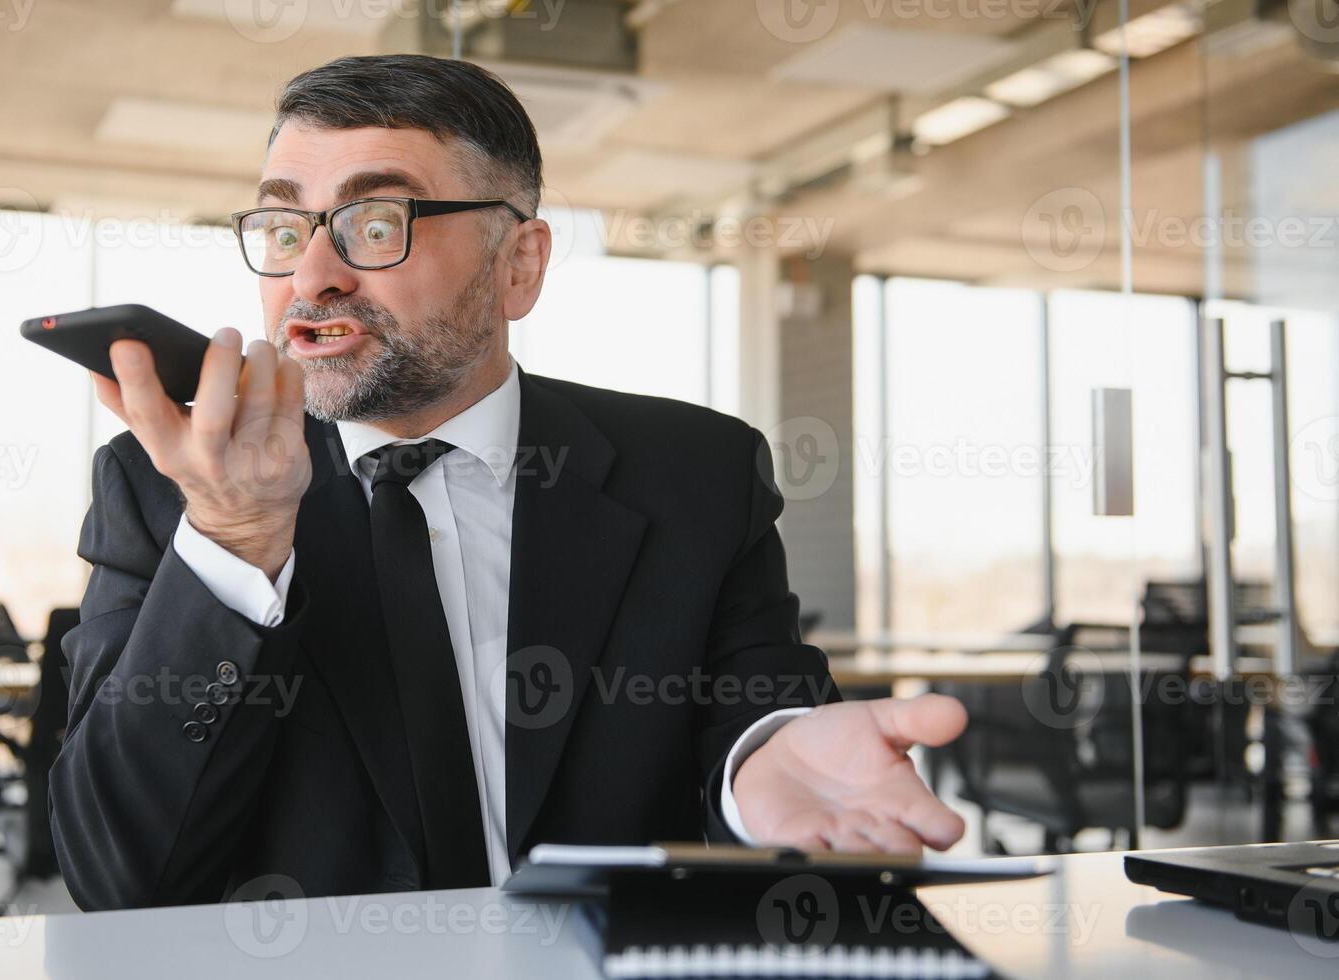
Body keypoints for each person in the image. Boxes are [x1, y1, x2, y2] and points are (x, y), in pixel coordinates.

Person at [48, 54, 967, 911]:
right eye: (286, 228)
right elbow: (118, 874)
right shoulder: (171, 491)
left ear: (517, 265)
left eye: (377, 225)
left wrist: (761, 758)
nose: (311, 278)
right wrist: (237, 534)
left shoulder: (693, 471)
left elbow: (753, 703)